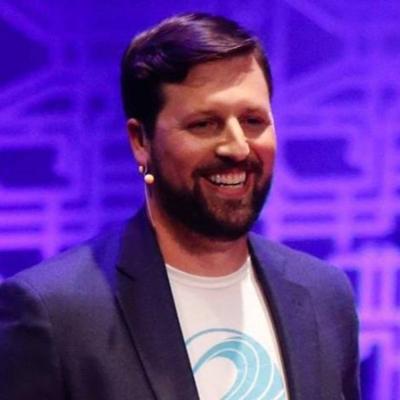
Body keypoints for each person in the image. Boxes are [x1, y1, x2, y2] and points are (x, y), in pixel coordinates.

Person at [0, 12, 360, 400]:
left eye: (253, 120)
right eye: (204, 124)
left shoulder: (324, 295)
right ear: (141, 141)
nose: (238, 147)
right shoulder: (54, 312)